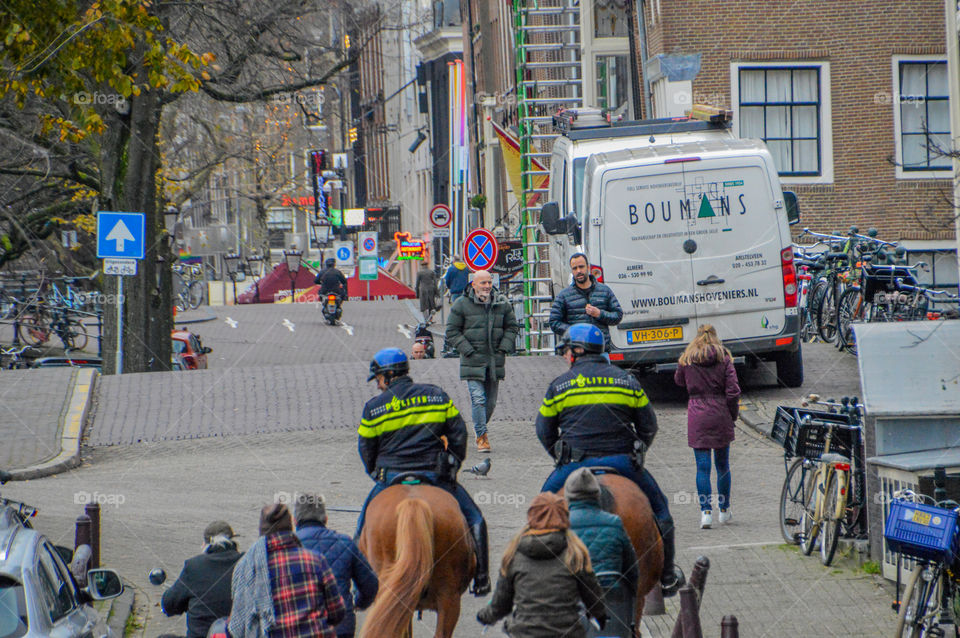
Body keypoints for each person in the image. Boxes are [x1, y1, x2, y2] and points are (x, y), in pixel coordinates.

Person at [536, 323, 685, 597]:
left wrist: (560, 456)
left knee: (539, 512)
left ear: (577, 352)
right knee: (661, 510)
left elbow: (543, 430)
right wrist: (637, 453)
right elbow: (649, 426)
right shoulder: (627, 381)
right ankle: (666, 576)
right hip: (622, 462)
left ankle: (536, 578)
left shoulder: (559, 386)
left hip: (575, 465)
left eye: (567, 350)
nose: (566, 355)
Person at [354, 347, 491, 596]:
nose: (377, 386)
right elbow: (458, 433)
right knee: (475, 519)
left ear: (386, 376)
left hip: (391, 478)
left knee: (362, 527)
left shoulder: (373, 408)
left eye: (378, 380)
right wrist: (452, 464)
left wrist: (376, 475)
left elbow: (366, 450)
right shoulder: (436, 396)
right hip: (434, 475)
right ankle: (482, 577)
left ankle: (358, 587)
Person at [476, 492, 606, 638]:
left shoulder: (513, 555)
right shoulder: (575, 555)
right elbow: (594, 600)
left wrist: (484, 616)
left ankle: (480, 576)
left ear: (532, 516)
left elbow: (500, 606)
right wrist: (600, 616)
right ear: (564, 517)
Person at [230, 503, 345, 638]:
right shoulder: (315, 561)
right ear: (291, 526)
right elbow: (337, 612)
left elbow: (238, 624)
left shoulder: (249, 567)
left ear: (262, 531)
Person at [674, 324, 741, 529]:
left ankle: (705, 513)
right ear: (715, 336)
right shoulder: (724, 359)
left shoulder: (687, 359)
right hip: (720, 413)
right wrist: (732, 414)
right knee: (722, 466)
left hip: (697, 415)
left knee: (702, 468)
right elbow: (733, 391)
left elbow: (678, 381)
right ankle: (724, 510)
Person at [445, 269, 519, 453]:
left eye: (489, 282)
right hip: (472, 361)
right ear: (473, 285)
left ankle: (476, 428)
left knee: (491, 402)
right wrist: (467, 349)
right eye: (483, 283)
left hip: (494, 361)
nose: (487, 286)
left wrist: (504, 346)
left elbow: (512, 326)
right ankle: (482, 437)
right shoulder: (461, 304)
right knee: (478, 399)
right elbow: (452, 331)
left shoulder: (502, 303)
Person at [564, 469, 638, 637]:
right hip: (612, 604)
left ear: (569, 495)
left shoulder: (559, 526)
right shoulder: (614, 523)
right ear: (597, 494)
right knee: (660, 508)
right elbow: (632, 568)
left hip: (571, 606)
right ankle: (668, 576)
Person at [293, 493, 378, 638]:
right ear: (325, 519)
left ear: (295, 521)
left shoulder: (285, 548)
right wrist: (358, 603)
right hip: (340, 627)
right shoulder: (345, 543)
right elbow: (370, 585)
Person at [161, 521, 243, 638]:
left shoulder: (194, 566)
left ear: (205, 544)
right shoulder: (246, 563)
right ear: (233, 541)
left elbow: (169, 605)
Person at [549, 253, 623, 352]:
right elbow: (554, 322)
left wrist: (600, 314)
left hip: (601, 350)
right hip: (577, 352)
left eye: (581, 267)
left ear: (588, 267)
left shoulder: (604, 290)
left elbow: (618, 315)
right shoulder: (564, 295)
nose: (578, 271)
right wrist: (575, 331)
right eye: (575, 268)